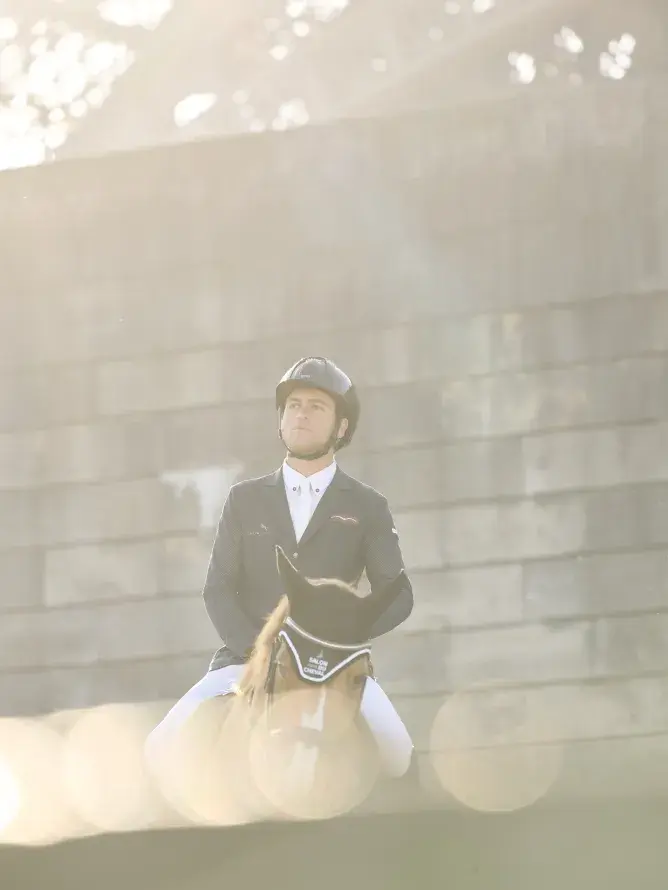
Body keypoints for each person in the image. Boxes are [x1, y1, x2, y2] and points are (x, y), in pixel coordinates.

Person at [145, 357, 415, 778]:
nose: (301, 414)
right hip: (244, 661)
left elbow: (398, 595)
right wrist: (259, 652)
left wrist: (343, 642)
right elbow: (218, 588)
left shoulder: (368, 506)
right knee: (158, 748)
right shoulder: (244, 500)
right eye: (293, 405)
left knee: (399, 754)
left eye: (316, 407)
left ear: (341, 426)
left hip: (334, 667)